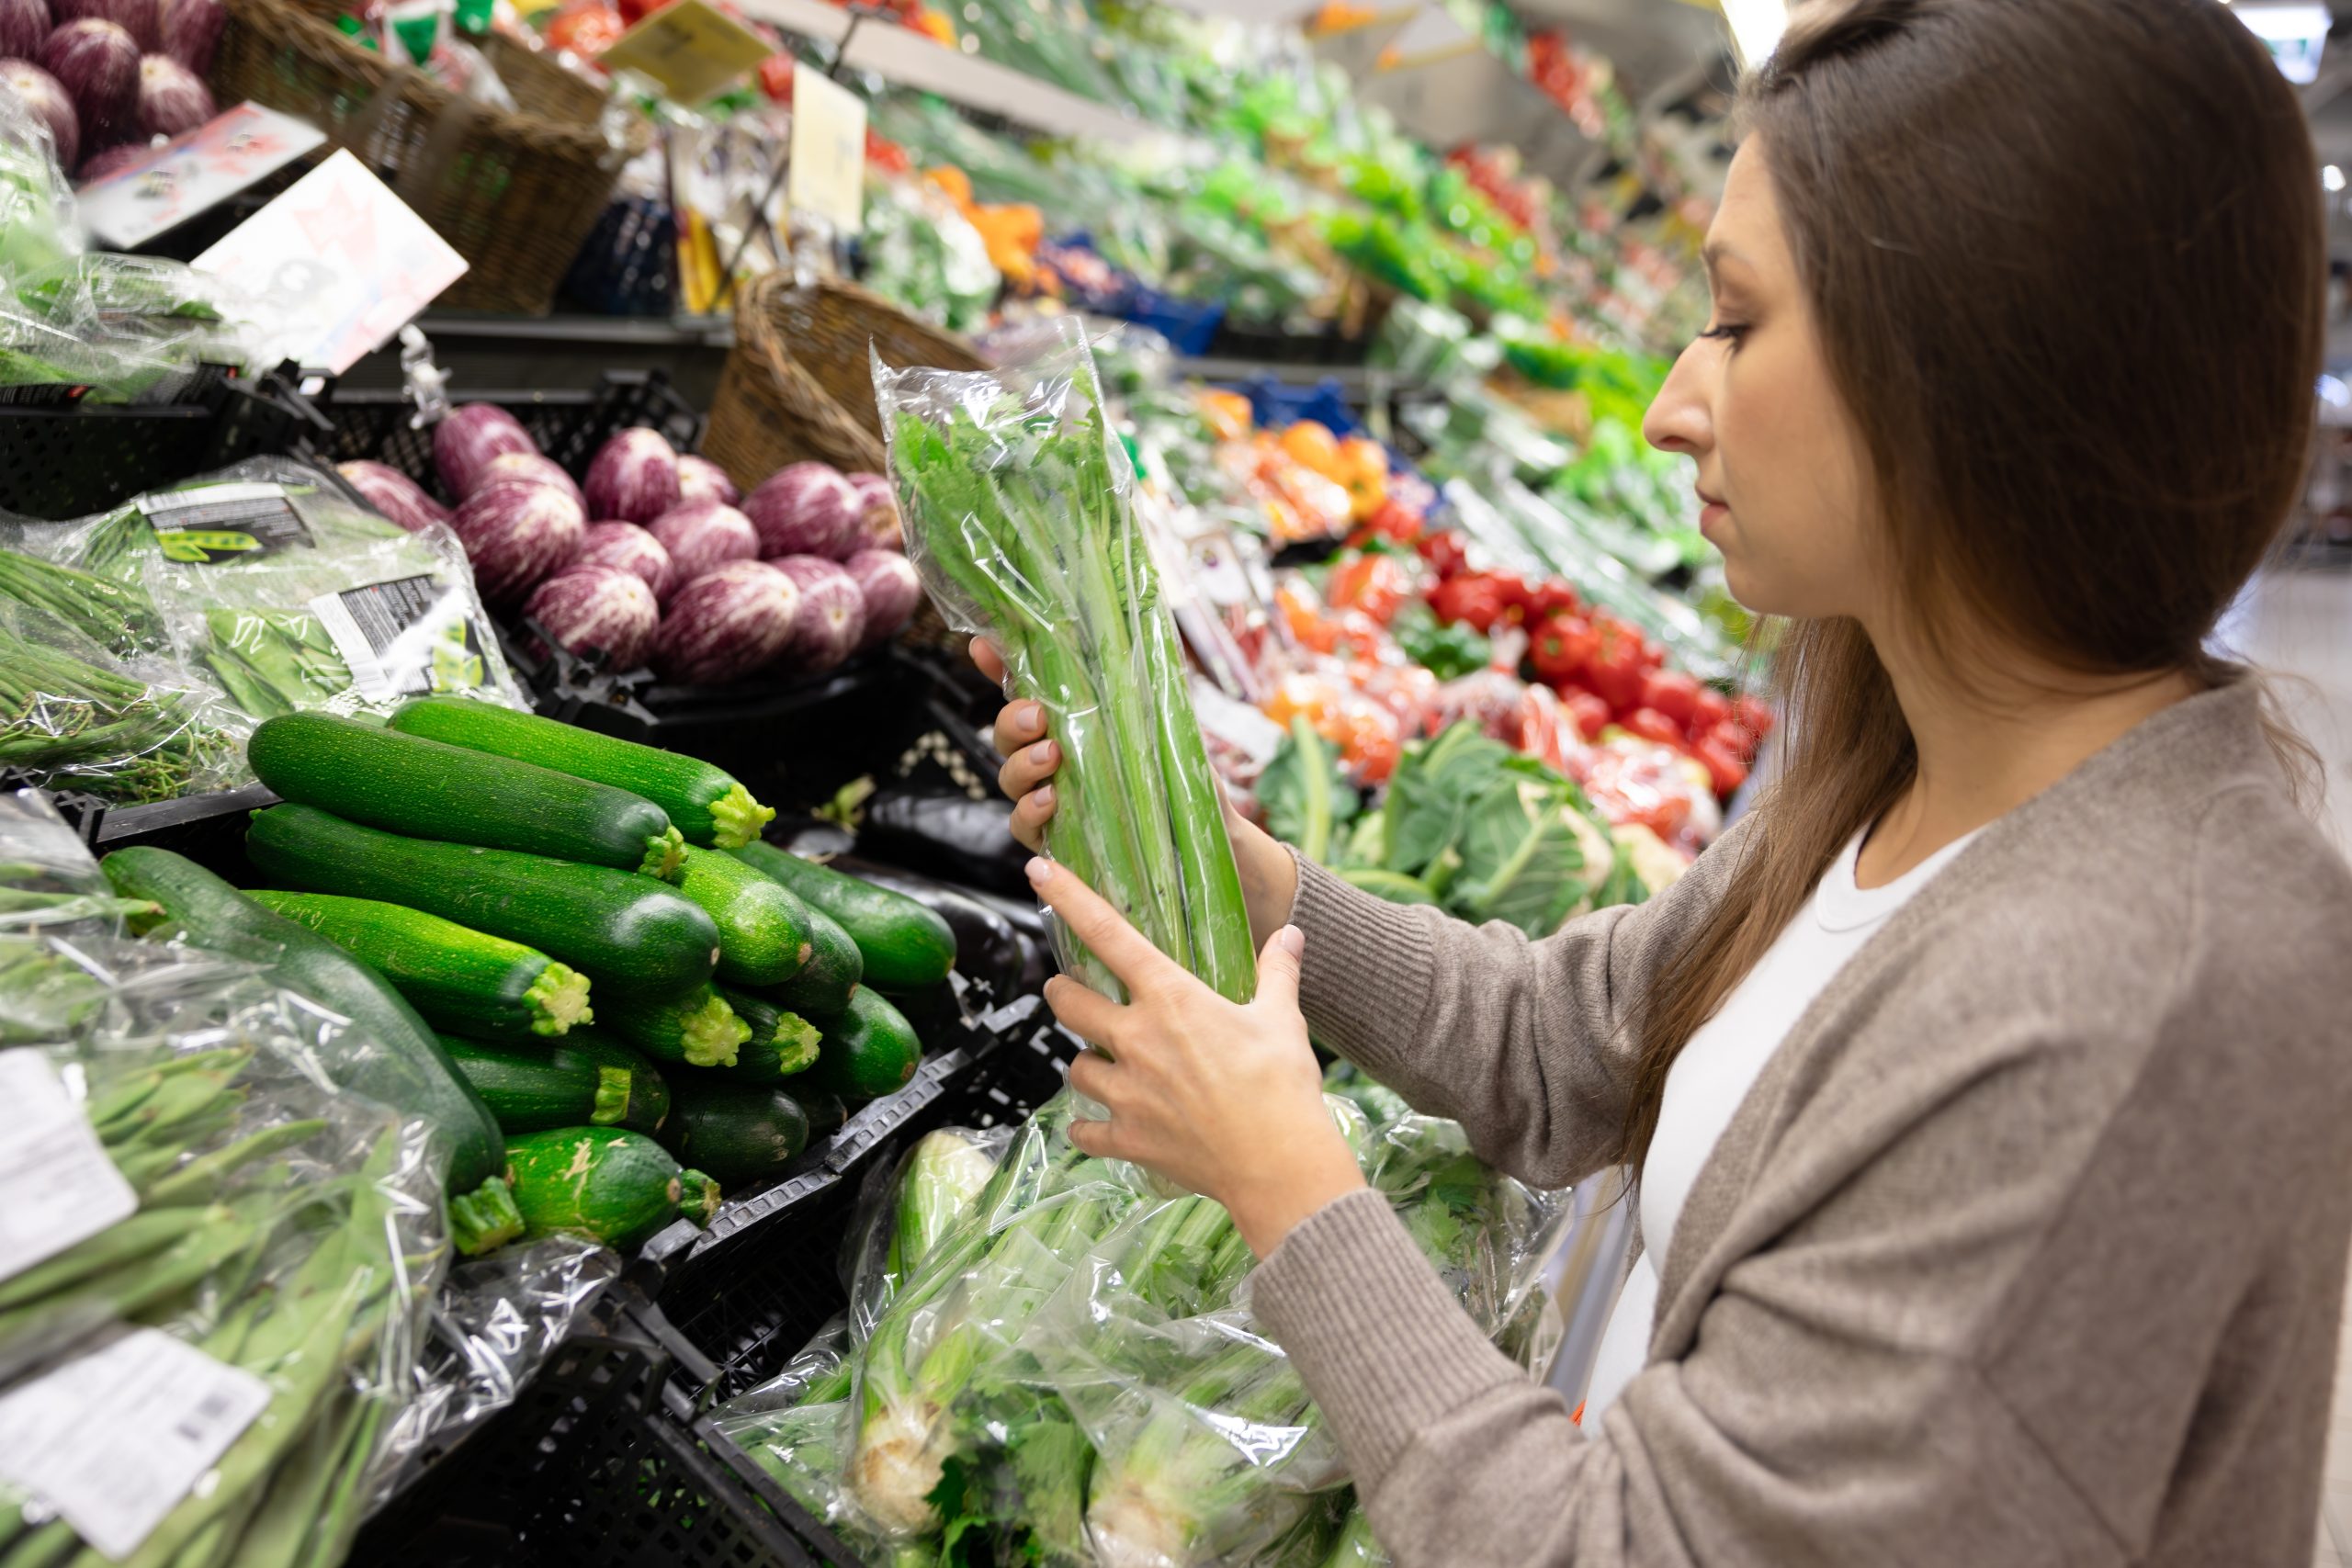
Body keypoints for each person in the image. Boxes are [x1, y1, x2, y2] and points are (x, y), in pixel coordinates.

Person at [974, 0, 2352, 1562]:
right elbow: (1577, 1044)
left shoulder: (2120, 1007)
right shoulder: (1916, 761)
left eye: (1740, 323)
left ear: (1974, 368)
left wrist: (1285, 1179)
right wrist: (1269, 892)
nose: (1668, 404)